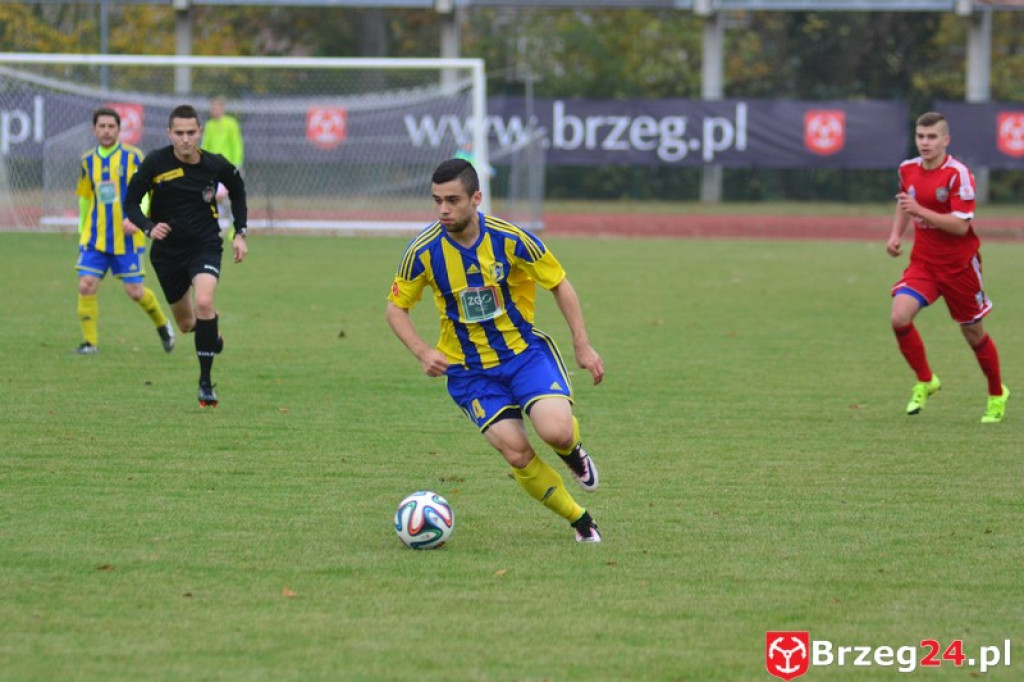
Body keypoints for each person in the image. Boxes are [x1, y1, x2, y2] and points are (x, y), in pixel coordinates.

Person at [386, 158, 605, 543]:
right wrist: (421, 351)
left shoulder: (511, 238)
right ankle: (580, 521)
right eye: (437, 200)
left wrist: (582, 345)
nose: (443, 210)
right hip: (469, 374)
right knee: (517, 453)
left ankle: (573, 453)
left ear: (477, 198)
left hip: (523, 357)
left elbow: (560, 283)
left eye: (452, 200)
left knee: (555, 432)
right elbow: (395, 307)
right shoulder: (423, 250)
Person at [887, 111, 1009, 423]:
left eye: (931, 137)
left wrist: (920, 211)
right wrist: (895, 235)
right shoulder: (907, 169)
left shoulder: (958, 175)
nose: (925, 143)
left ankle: (997, 393)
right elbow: (904, 202)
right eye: (920, 137)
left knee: (973, 333)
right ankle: (926, 380)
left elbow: (958, 226)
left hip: (959, 268)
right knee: (899, 317)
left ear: (946, 140)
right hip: (924, 264)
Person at [123, 104, 248, 407]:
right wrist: (149, 227)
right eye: (179, 133)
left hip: (205, 244)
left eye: (191, 132)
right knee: (188, 324)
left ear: (199, 132)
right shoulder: (155, 163)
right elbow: (130, 204)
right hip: (167, 254)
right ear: (170, 134)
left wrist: (240, 233)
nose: (185, 139)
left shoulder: (214, 164)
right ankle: (212, 335)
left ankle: (206, 384)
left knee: (204, 302)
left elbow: (238, 189)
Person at [74, 106, 175, 355]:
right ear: (94, 129)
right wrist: (82, 230)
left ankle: (163, 326)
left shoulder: (133, 158)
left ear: (119, 130)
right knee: (86, 285)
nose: (107, 131)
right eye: (102, 126)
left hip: (127, 238)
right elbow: (86, 198)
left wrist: (138, 219)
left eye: (111, 127)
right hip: (95, 238)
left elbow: (147, 192)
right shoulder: (87, 161)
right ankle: (90, 343)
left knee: (135, 291)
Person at [201, 96, 244, 225]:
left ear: (222, 108)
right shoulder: (209, 125)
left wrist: (237, 163)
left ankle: (234, 225)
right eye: (213, 108)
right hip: (212, 167)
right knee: (211, 196)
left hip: (228, 167)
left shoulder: (231, 124)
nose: (215, 110)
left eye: (217, 107)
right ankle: (218, 224)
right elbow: (205, 145)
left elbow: (237, 144)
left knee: (224, 196)